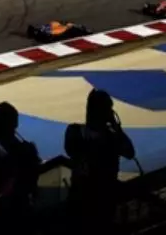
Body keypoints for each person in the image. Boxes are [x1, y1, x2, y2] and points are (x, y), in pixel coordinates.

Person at [64, 89, 135, 232]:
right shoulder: (76, 131)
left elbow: (130, 152)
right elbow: (72, 149)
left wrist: (117, 129)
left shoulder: (111, 136)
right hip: (86, 201)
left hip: (101, 202)